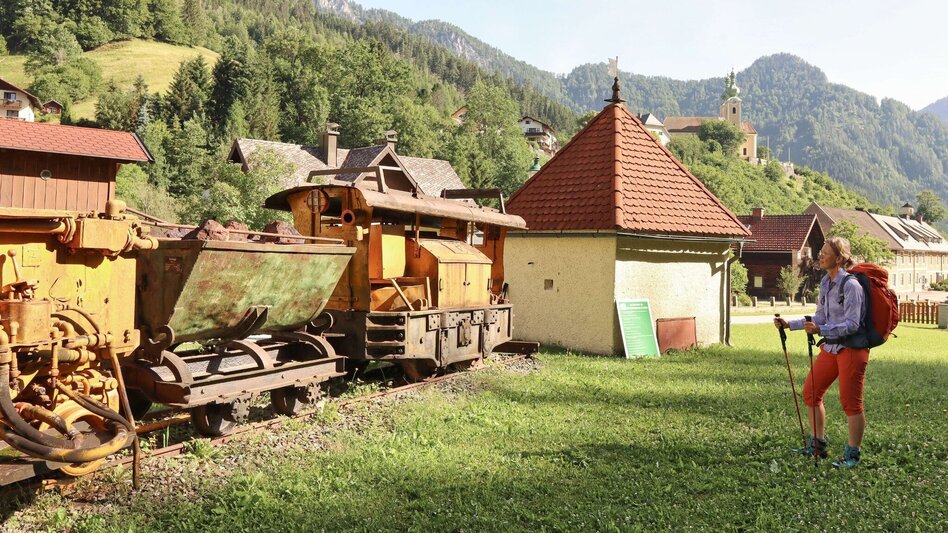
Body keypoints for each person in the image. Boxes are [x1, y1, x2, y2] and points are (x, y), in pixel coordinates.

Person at [774, 237, 868, 469]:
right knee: (811, 393)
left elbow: (853, 324)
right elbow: (820, 318)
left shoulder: (852, 286)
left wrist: (821, 329)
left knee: (851, 403)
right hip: (831, 347)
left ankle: (852, 455)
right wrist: (790, 323)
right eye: (821, 252)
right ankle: (818, 444)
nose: (820, 256)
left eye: (825, 253)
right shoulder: (826, 282)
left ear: (839, 258)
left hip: (852, 349)